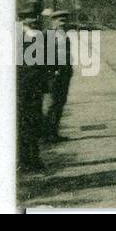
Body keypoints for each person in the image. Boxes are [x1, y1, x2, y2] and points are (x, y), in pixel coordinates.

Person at [16, 4, 46, 172]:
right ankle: (26, 161)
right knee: (25, 124)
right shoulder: (18, 36)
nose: (34, 20)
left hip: (34, 86)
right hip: (23, 87)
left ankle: (32, 158)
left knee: (33, 123)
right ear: (23, 19)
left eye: (36, 17)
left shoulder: (36, 36)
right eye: (30, 17)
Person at [42, 9, 73, 142]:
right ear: (53, 22)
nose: (63, 24)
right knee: (52, 103)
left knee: (60, 102)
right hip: (53, 75)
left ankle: (54, 132)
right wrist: (51, 71)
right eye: (60, 21)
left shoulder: (64, 36)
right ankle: (47, 134)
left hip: (64, 74)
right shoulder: (47, 35)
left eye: (65, 21)